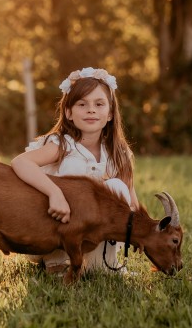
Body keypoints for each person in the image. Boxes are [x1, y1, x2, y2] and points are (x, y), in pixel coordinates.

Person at [11, 67, 139, 274]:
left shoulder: (118, 153)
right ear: (69, 113)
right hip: (54, 229)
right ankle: (57, 261)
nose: (91, 110)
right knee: (74, 186)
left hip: (92, 235)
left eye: (99, 104)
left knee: (116, 186)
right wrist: (55, 193)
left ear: (110, 113)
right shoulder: (62, 144)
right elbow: (20, 162)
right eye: (82, 104)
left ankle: (104, 262)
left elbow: (131, 201)